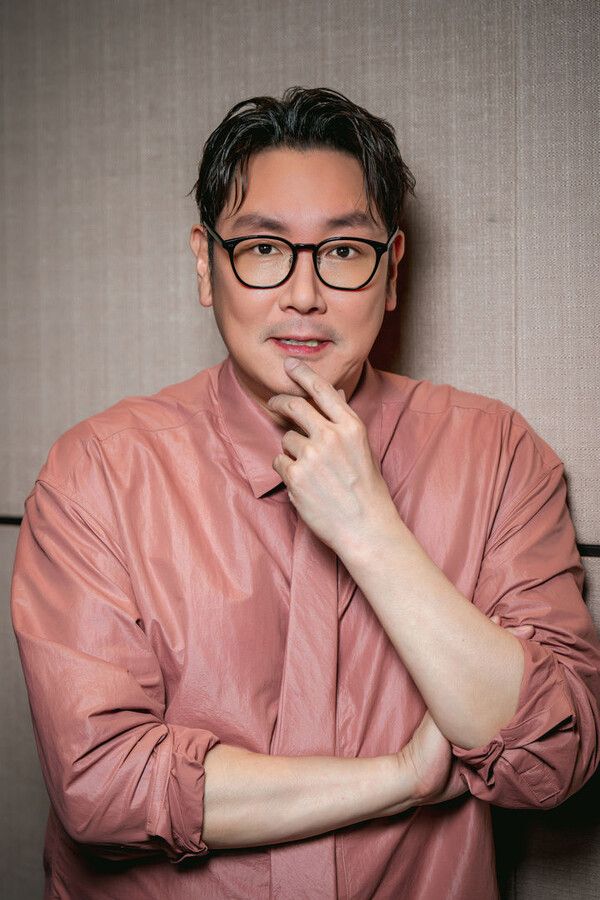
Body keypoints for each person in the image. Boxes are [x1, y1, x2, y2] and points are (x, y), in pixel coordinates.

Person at [11, 86, 600, 900]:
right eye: (262, 248)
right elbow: (102, 786)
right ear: (206, 264)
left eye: (344, 251)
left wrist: (370, 531)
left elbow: (550, 760)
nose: (302, 295)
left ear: (391, 271)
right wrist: (400, 778)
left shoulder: (497, 455)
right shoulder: (99, 473)